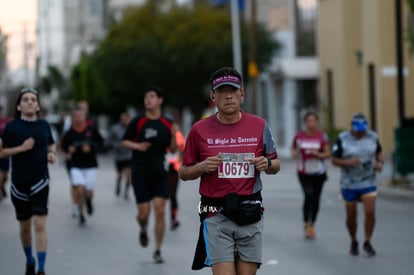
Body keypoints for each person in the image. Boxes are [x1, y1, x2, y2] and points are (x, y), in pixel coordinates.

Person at [179, 67, 280, 275]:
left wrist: (266, 164)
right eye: (222, 91)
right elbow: (183, 172)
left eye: (232, 90)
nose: (228, 96)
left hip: (250, 210)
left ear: (241, 93)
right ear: (213, 96)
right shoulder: (199, 130)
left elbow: (275, 164)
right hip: (215, 214)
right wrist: (201, 167)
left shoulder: (259, 126)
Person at [0, 88, 56, 275]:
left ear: (38, 105)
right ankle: (29, 260)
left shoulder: (44, 126)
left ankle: (41, 268)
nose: (30, 102)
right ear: (19, 105)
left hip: (40, 180)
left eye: (33, 99)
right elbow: (1, 152)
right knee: (24, 226)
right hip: (19, 184)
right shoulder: (11, 127)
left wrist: (51, 153)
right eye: (26, 99)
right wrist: (21, 148)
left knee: (39, 223)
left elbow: (51, 143)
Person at [121, 87, 177, 264]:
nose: (148, 100)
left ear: (160, 100)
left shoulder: (167, 123)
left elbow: (173, 149)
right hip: (140, 173)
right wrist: (138, 146)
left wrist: (175, 134)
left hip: (160, 172)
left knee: (160, 211)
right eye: (146, 97)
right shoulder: (138, 121)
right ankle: (143, 228)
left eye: (152, 97)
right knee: (143, 214)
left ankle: (158, 250)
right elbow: (124, 141)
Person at [332, 112, 383, 257]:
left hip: (368, 180)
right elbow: (334, 160)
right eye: (358, 129)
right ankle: (353, 240)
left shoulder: (373, 137)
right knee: (351, 216)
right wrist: (348, 162)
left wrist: (380, 163)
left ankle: (367, 241)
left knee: (370, 211)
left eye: (363, 129)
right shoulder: (343, 139)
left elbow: (379, 153)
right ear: (352, 128)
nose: (361, 132)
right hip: (349, 183)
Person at [61, 107, 104, 225]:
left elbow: (101, 143)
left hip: (90, 165)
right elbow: (63, 146)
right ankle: (81, 214)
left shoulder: (91, 129)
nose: (78, 118)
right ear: (73, 118)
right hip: (76, 165)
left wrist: (91, 148)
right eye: (75, 116)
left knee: (88, 191)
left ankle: (89, 201)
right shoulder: (69, 133)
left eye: (80, 116)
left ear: (84, 117)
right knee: (79, 190)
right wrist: (68, 149)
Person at [291, 111, 330, 239]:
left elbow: (327, 153)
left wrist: (318, 154)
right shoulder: (299, 136)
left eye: (313, 121)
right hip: (304, 172)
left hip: (319, 172)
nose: (311, 124)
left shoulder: (322, 136)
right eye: (309, 121)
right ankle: (306, 223)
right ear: (305, 122)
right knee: (308, 195)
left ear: (317, 122)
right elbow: (293, 148)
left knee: (316, 199)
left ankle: (312, 223)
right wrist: (295, 153)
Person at [108, 112, 132, 200]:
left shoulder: (131, 128)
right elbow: (109, 140)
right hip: (119, 155)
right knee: (120, 174)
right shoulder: (115, 128)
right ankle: (118, 185)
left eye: (126, 119)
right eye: (122, 119)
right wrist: (117, 145)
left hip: (129, 154)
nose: (124, 121)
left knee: (129, 174)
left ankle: (126, 191)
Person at [166, 127, 185, 230]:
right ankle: (162, 218)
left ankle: (173, 219)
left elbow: (181, 149)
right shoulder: (163, 132)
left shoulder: (178, 135)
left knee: (173, 195)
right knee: (163, 196)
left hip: (173, 168)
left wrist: (181, 162)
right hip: (162, 168)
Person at [0, 105, 12, 201]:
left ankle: (1, 187)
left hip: (5, 151)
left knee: (6, 176)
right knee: (1, 175)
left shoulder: (7, 122)